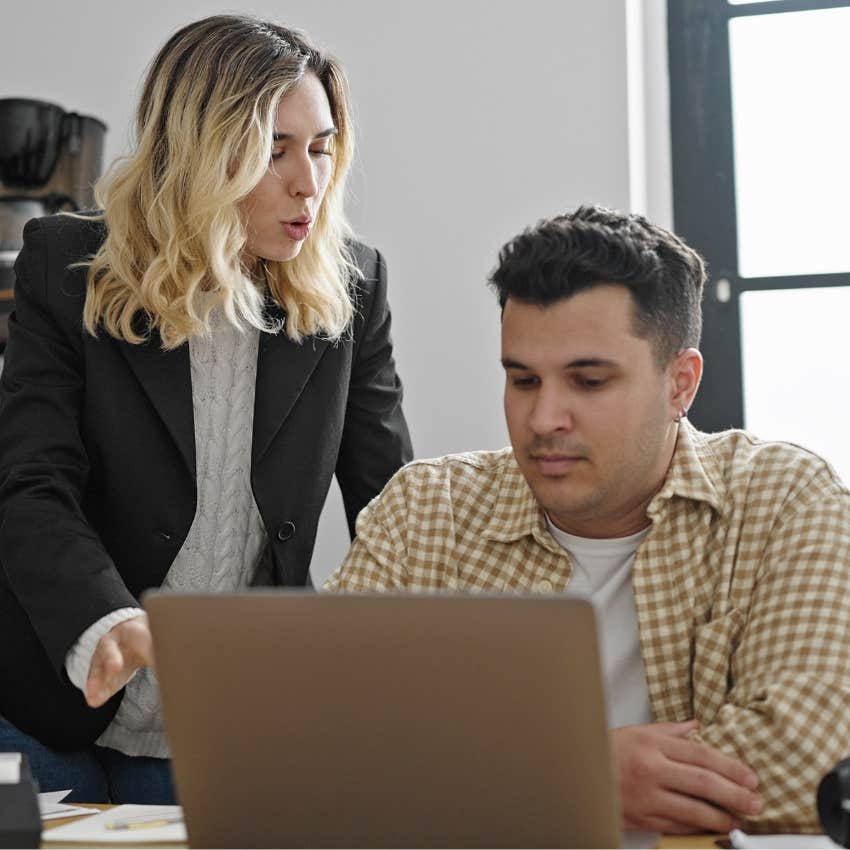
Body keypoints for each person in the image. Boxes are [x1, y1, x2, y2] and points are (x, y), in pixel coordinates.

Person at [326, 204, 850, 834]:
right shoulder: (423, 510)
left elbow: (803, 766)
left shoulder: (786, 501)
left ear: (680, 383)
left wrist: (462, 771)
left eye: (589, 381)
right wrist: (581, 772)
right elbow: (325, 746)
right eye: (523, 380)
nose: (545, 418)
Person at [0, 15, 411, 803]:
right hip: (49, 695)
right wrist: (106, 622)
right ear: (196, 152)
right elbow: (30, 482)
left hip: (230, 712)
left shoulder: (355, 285)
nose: (309, 183)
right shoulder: (68, 264)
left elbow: (391, 508)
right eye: (275, 149)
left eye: (321, 147)